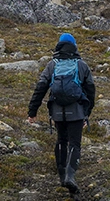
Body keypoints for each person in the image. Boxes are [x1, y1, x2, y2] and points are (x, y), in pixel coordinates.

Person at [28, 33, 96, 197]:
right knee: (74, 143)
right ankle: (70, 177)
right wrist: (87, 113)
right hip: (77, 111)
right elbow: (91, 90)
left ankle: (62, 175)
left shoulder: (52, 65)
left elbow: (40, 87)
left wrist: (32, 111)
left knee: (61, 140)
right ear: (74, 46)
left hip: (57, 111)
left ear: (59, 45)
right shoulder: (81, 65)